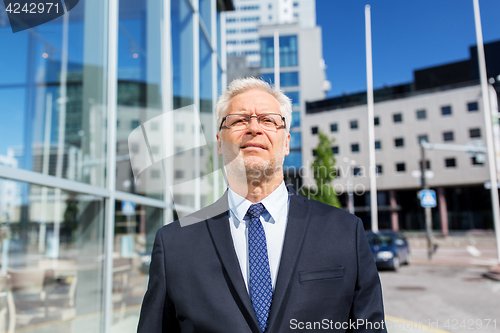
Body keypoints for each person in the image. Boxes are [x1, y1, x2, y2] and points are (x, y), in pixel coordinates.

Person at [137, 77, 387, 333]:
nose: (254, 128)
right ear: (220, 143)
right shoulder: (174, 244)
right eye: (238, 120)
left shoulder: (345, 232)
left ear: (287, 142)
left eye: (268, 120)